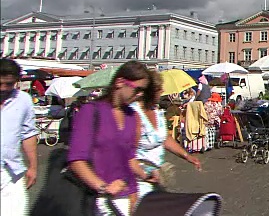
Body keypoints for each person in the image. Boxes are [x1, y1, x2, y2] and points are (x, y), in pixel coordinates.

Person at [68, 60, 150, 215]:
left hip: (126, 197)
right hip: (97, 198)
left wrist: (146, 175)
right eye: (137, 89)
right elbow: (76, 160)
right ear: (120, 82)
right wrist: (103, 187)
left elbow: (129, 158)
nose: (139, 95)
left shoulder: (132, 116)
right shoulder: (91, 111)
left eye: (143, 91)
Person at [132, 71, 201, 203]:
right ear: (148, 91)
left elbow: (164, 138)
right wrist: (144, 173)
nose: (162, 91)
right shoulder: (135, 114)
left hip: (154, 176)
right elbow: (128, 152)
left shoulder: (156, 111)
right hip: (138, 179)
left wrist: (186, 156)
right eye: (158, 89)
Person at [1, 59, 38, 216]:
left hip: (11, 170)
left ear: (17, 81)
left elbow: (28, 133)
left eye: (8, 84)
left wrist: (33, 166)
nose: (2, 88)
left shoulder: (23, 100)